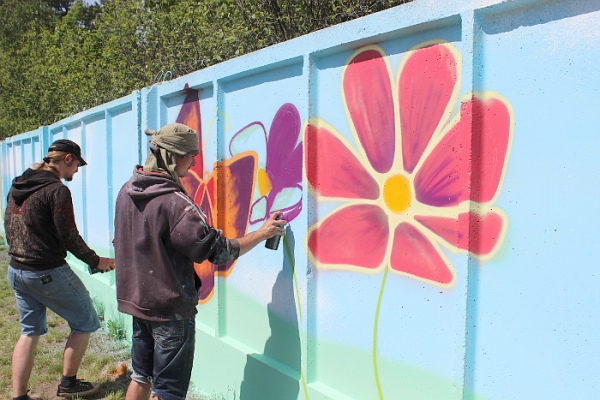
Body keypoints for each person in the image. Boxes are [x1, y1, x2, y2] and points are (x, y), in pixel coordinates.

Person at [113, 123, 286, 400]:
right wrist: (261, 233)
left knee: (140, 376)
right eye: (190, 155)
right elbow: (218, 251)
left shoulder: (127, 190)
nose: (194, 161)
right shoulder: (173, 202)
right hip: (169, 310)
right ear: (173, 156)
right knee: (168, 390)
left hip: (138, 303)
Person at [4, 139, 115, 400]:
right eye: (77, 164)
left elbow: (10, 224)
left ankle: (19, 396)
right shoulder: (57, 190)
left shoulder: (20, 183)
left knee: (29, 331)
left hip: (17, 270)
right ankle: (68, 384)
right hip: (46, 271)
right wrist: (97, 261)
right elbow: (69, 237)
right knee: (86, 321)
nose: (77, 170)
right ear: (67, 159)